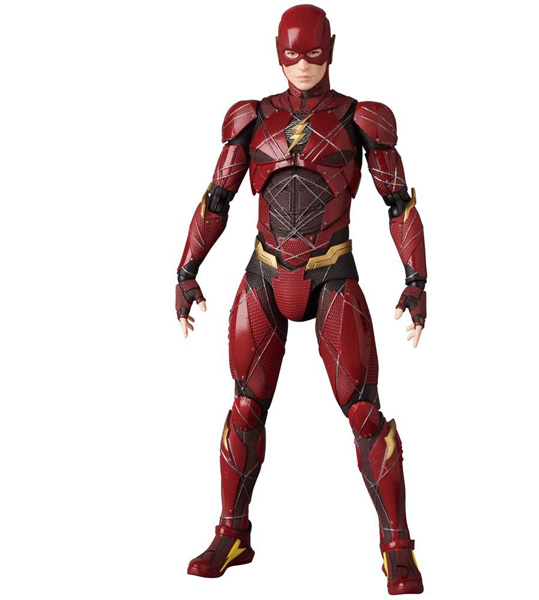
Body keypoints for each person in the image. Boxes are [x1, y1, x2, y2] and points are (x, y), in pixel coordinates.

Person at [175, 4, 427, 595]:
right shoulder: (252, 119)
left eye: (314, 52)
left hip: (331, 272)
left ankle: (397, 547)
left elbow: (399, 205)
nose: (303, 64)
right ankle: (232, 534)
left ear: (331, 49)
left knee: (363, 411)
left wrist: (416, 279)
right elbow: (217, 198)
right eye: (292, 53)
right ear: (277, 51)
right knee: (245, 407)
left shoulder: (361, 119)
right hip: (264, 274)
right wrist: (186, 270)